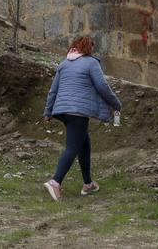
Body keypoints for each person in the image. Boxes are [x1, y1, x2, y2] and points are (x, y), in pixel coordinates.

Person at [41, 35, 122, 201]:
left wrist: (48, 112)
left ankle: (88, 184)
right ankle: (55, 182)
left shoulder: (63, 64)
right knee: (72, 148)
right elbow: (102, 86)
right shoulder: (91, 62)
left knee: (84, 145)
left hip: (62, 111)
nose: (92, 50)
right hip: (77, 112)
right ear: (87, 48)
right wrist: (116, 103)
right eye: (91, 47)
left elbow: (53, 90)